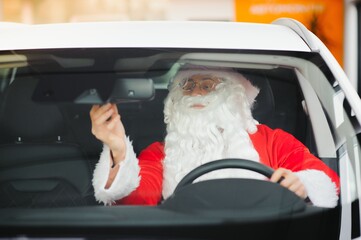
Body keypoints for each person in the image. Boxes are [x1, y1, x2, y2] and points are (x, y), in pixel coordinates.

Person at [90, 65, 340, 208]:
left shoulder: (272, 140)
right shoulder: (160, 152)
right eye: (187, 86)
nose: (196, 93)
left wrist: (301, 183)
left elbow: (325, 179)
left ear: (233, 95)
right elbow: (138, 202)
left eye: (207, 85)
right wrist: (119, 151)